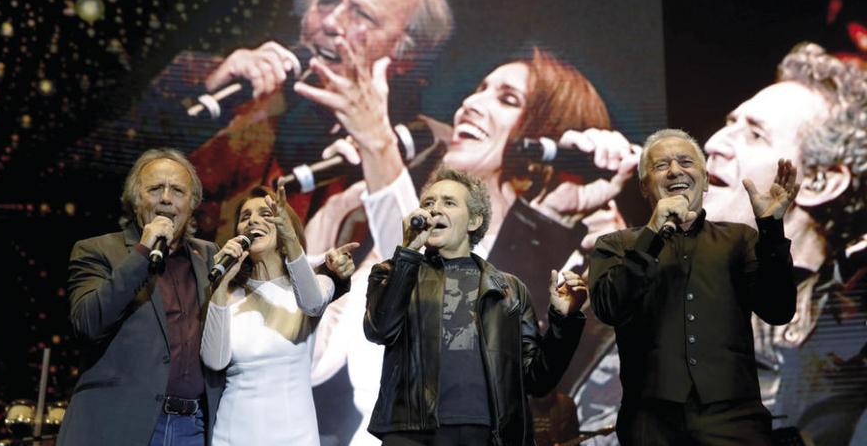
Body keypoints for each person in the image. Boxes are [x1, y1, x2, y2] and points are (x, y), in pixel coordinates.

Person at [300, 47, 639, 442]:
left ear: (548, 133)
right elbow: (315, 365)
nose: (471, 104)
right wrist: (335, 210)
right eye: (479, 89)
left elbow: (458, 331)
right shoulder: (396, 235)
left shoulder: (556, 257)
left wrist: (378, 143)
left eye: (507, 99)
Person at [187, 0, 453, 241]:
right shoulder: (248, 97)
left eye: (362, 14)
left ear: (408, 54)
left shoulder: (431, 151)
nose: (331, 22)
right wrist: (209, 88)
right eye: (327, 2)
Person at [589, 128, 800, 445]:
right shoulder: (616, 244)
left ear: (706, 178)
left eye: (686, 162)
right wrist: (651, 233)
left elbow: (778, 310)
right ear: (645, 187)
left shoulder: (739, 239)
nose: (675, 170)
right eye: (661, 166)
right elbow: (609, 308)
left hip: (734, 418)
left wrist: (771, 230)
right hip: (650, 422)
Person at [703, 42, 867, 445]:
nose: (714, 142)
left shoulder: (840, 356)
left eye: (755, 135)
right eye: (730, 121)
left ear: (817, 182)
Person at [364, 166, 589, 445]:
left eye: (448, 202)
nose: (434, 210)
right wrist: (408, 253)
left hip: (487, 434)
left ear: (474, 221)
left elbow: (537, 379)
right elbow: (380, 330)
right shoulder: (393, 272)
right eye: (428, 203)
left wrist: (563, 320)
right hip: (413, 432)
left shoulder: (509, 289)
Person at [58, 148, 222, 446]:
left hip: (192, 428)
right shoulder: (96, 250)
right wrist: (142, 253)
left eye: (178, 190)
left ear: (192, 203)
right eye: (155, 189)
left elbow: (271, 288)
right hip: (117, 424)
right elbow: (88, 323)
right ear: (136, 200)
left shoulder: (209, 256)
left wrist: (332, 277)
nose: (166, 198)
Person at [200, 185, 355, 445]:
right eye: (245, 216)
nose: (253, 220)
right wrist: (221, 286)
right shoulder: (228, 297)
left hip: (294, 437)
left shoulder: (316, 285)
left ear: (283, 226)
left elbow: (313, 304)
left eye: (265, 213)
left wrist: (290, 238)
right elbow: (214, 361)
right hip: (231, 436)